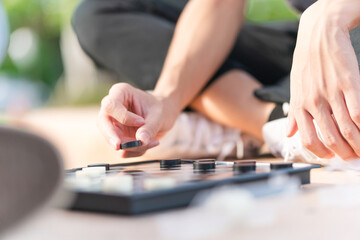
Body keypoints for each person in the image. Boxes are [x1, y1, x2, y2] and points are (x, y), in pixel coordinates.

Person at [73, 0, 360, 162]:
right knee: (101, 13)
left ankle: (236, 122)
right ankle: (273, 121)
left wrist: (333, 12)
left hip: (347, 30)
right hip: (304, 41)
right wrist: (167, 98)